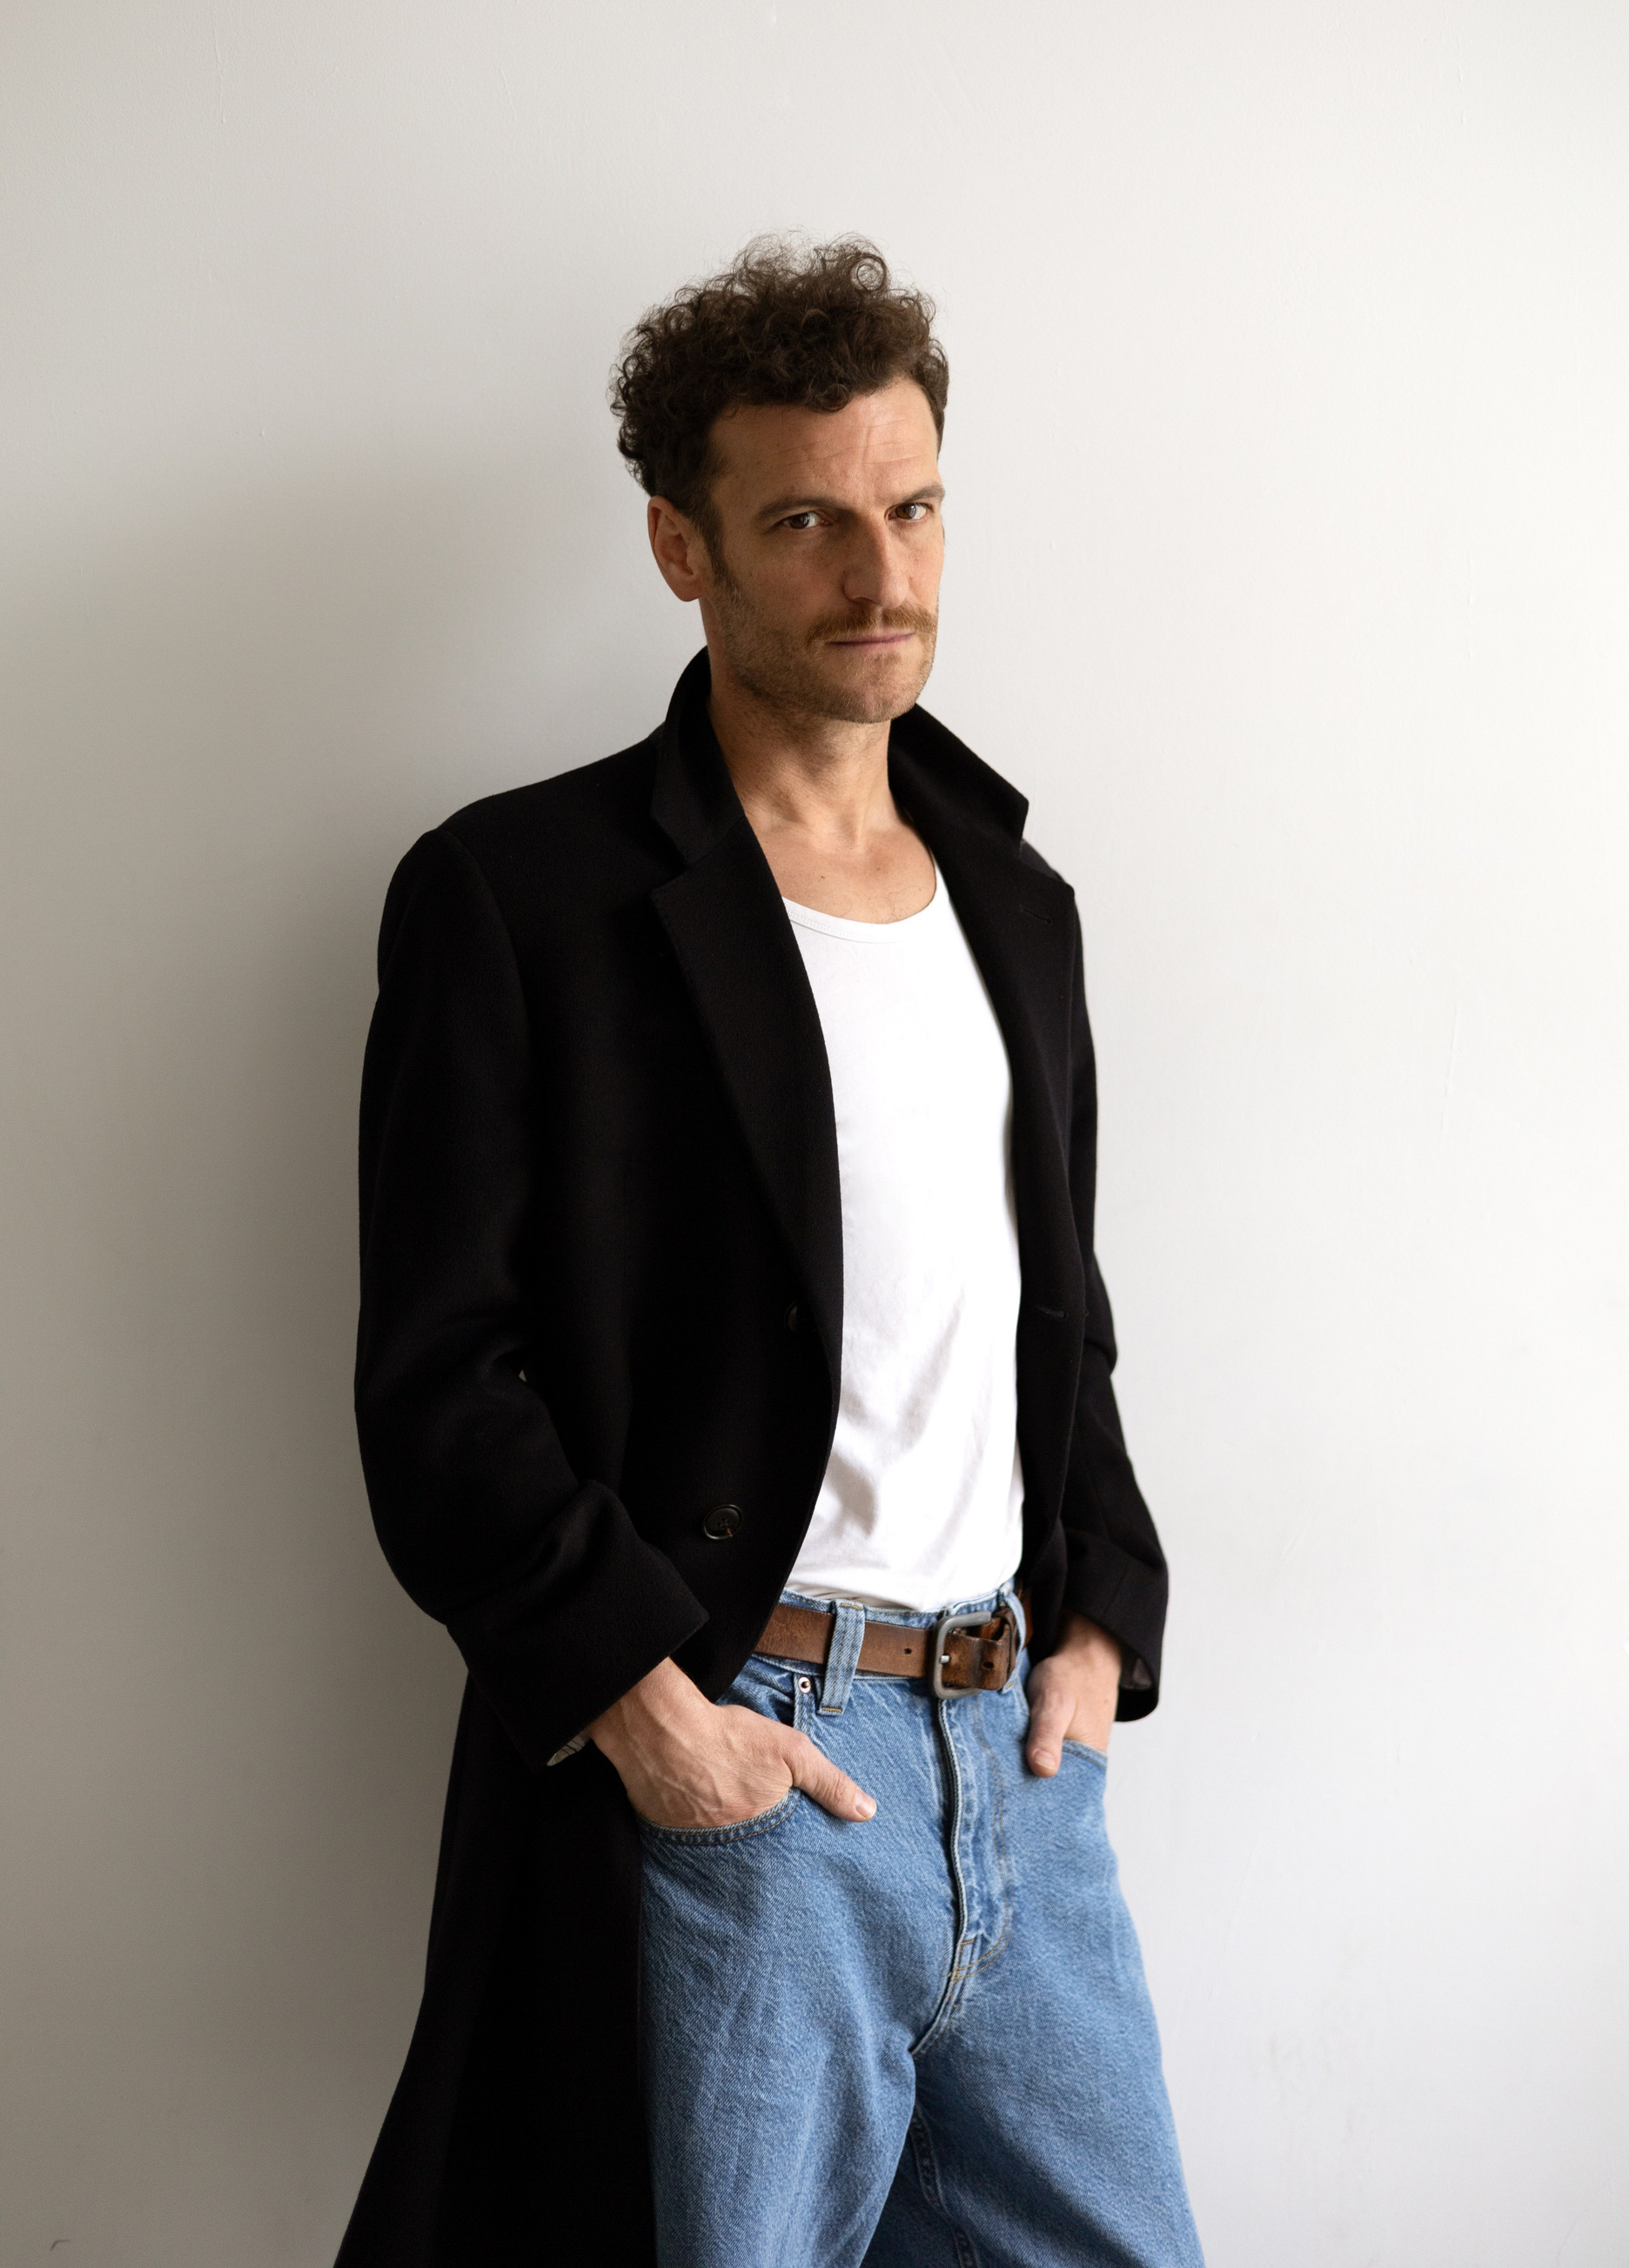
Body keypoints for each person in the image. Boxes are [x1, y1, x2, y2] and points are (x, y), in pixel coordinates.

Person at [335, 237, 1203, 2268]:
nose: (880, 574)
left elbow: (1053, 1315)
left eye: (913, 509)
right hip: (751, 1747)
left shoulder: (1019, 901)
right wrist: (649, 1705)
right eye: (808, 521)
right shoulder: (521, 895)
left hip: (1017, 1747)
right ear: (684, 545)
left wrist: (1103, 1618)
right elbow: (441, 1373)